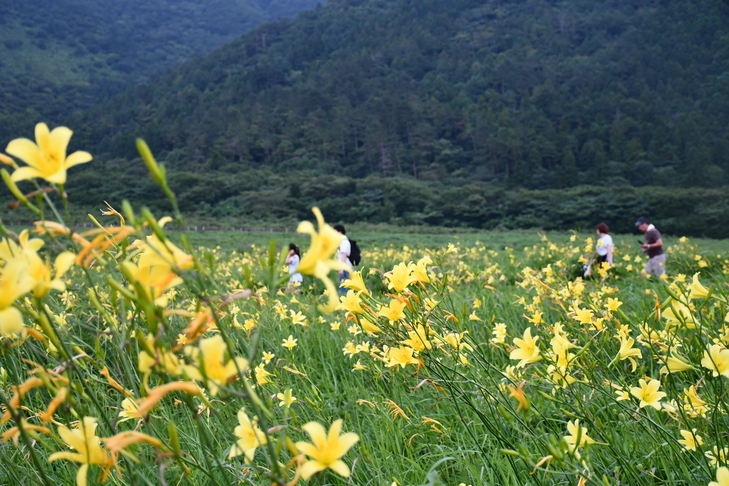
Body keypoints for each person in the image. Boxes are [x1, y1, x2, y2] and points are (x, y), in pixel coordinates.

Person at [333, 224, 352, 293]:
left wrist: (341, 269)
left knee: (343, 288)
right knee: (346, 286)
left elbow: (344, 255)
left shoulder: (343, 242)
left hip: (345, 267)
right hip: (346, 267)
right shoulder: (344, 241)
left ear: (340, 232)